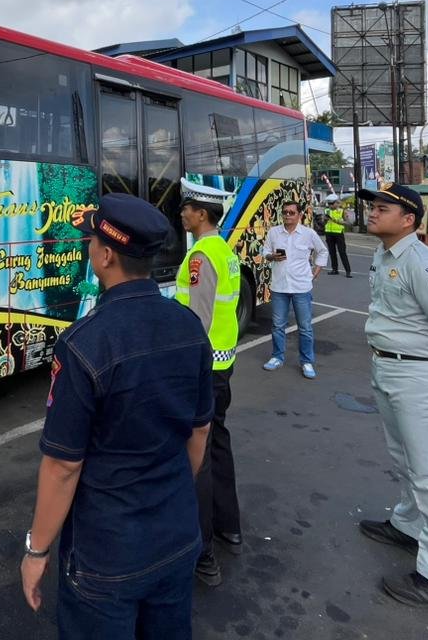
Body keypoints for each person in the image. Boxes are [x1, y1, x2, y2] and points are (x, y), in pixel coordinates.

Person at [20, 193, 214, 638]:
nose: (89, 248)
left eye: (90, 241)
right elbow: (199, 432)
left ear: (106, 255)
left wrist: (37, 551)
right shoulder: (188, 326)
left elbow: (63, 466)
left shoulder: (84, 344)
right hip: (177, 534)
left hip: (108, 553)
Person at [356, 183, 428, 610]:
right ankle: (407, 526)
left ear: (408, 220)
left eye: (382, 208)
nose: (372, 212)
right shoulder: (384, 255)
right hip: (390, 367)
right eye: (373, 206)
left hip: (420, 377)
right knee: (405, 459)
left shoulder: (423, 263)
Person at [174, 179, 244, 587]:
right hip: (223, 362)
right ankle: (228, 524)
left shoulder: (201, 256)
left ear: (202, 214)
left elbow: (196, 321)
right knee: (218, 441)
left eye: (186, 208)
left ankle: (202, 555)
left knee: (196, 456)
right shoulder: (225, 251)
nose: (181, 213)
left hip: (202, 367)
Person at [261, 199, 329, 378]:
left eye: (291, 212)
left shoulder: (308, 234)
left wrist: (317, 268)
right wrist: (270, 256)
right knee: (277, 325)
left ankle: (306, 361)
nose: (287, 215)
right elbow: (264, 251)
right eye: (285, 212)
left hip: (301, 286)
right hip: (279, 287)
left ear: (299, 215)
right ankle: (277, 357)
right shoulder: (274, 233)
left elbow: (322, 251)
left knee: (305, 327)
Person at [324, 196, 352, 277]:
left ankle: (348, 271)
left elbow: (349, 223)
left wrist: (338, 221)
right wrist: (324, 220)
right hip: (328, 233)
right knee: (332, 252)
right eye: (329, 203)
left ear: (337, 203)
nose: (330, 205)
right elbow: (324, 222)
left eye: (332, 203)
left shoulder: (342, 211)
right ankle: (334, 269)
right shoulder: (327, 210)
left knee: (342, 252)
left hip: (339, 233)